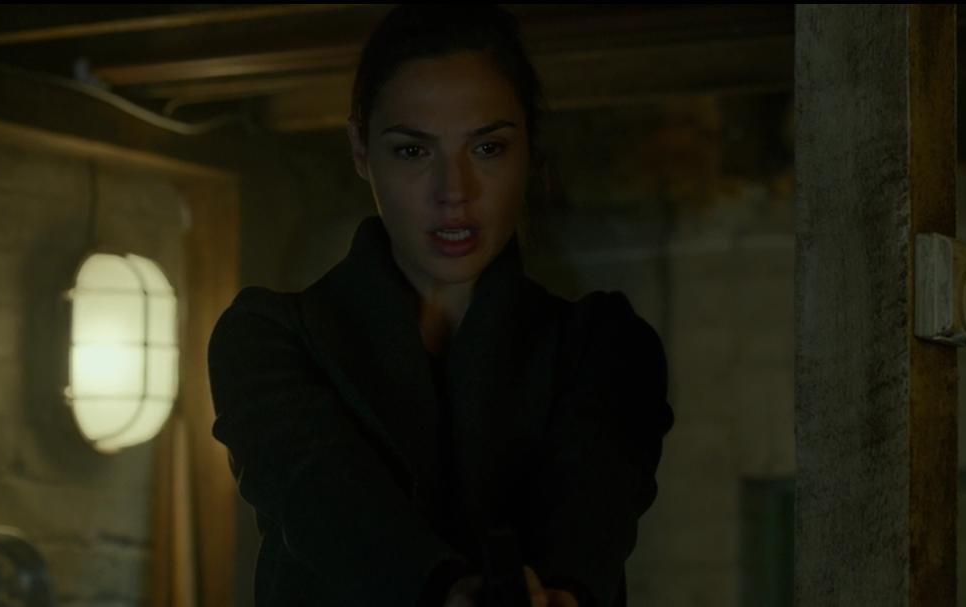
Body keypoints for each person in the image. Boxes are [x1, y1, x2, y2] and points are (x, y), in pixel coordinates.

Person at [206, 6, 674, 606]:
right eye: (412, 152)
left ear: (529, 147)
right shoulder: (270, 339)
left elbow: (591, 515)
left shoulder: (604, 346)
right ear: (360, 148)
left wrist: (559, 594)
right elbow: (324, 499)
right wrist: (443, 591)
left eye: (488, 148)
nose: (454, 192)